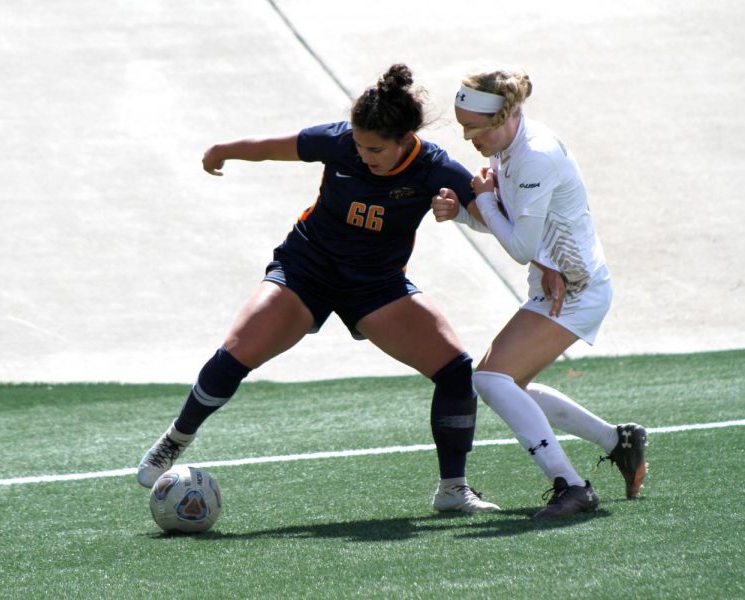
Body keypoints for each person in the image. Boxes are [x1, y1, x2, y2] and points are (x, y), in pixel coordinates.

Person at [137, 64, 500, 513]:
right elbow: (274, 147)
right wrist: (223, 149)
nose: (364, 155)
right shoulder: (339, 142)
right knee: (237, 350)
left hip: (376, 285)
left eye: (376, 149)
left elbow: (493, 217)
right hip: (306, 268)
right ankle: (176, 439)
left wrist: (465, 208)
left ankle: (453, 489)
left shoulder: (435, 167)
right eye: (359, 144)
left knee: (454, 369)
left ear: (406, 139)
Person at [432, 67, 647, 518]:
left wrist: (484, 200)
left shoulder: (534, 156)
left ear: (504, 116)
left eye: (474, 127)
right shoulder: (508, 148)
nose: (468, 137)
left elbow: (519, 246)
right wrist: (463, 214)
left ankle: (571, 485)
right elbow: (513, 226)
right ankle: (618, 441)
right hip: (557, 283)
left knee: (491, 380)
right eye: (462, 126)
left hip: (577, 288)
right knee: (512, 385)